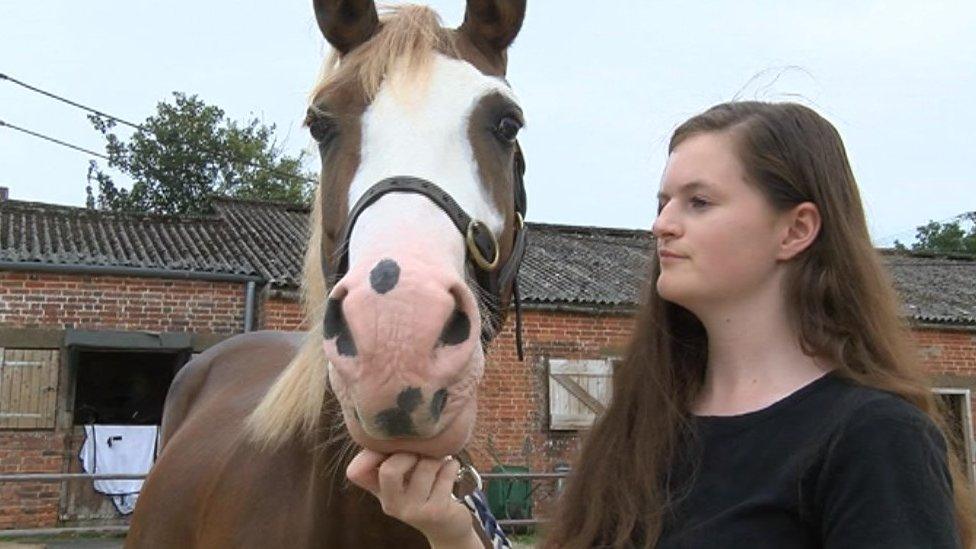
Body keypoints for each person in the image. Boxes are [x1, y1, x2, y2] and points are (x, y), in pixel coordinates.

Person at [347, 101, 975, 548]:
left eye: (698, 202)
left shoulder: (874, 439)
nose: (662, 225)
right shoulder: (642, 423)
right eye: (662, 202)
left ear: (796, 229)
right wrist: (453, 530)